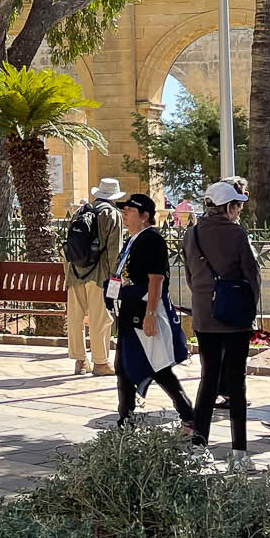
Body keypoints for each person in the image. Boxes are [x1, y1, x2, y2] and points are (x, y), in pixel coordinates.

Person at [182, 179, 261, 468]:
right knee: (236, 384)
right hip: (236, 316)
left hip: (205, 316)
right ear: (227, 206)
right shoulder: (237, 234)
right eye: (236, 205)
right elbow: (251, 274)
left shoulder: (192, 234)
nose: (238, 210)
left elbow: (190, 276)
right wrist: (250, 306)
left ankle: (198, 447)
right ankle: (239, 453)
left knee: (208, 381)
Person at [108, 191, 194, 428]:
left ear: (145, 216)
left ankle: (188, 414)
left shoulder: (152, 240)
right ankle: (125, 418)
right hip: (128, 310)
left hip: (143, 309)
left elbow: (156, 279)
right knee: (123, 366)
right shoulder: (132, 240)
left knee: (158, 367)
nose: (124, 216)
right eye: (123, 211)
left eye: (129, 211)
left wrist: (151, 314)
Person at [64, 177, 123, 378]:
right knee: (100, 319)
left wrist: (69, 273)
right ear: (114, 197)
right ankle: (100, 362)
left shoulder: (80, 212)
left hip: (75, 272)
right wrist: (116, 275)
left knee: (75, 317)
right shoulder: (112, 214)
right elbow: (115, 249)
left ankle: (80, 361)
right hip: (99, 275)